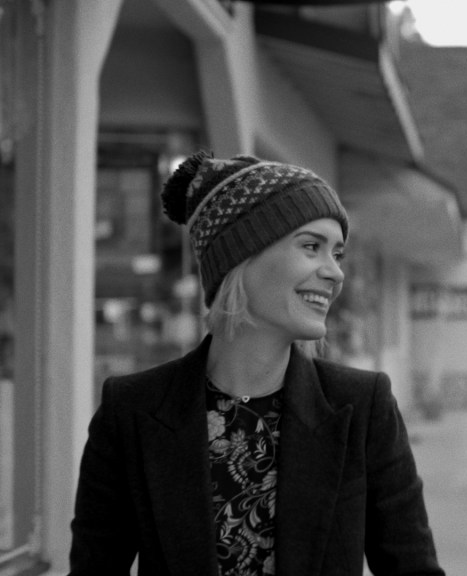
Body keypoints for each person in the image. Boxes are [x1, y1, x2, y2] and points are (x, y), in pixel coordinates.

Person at [70, 151, 445, 576]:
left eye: (337, 254)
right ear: (240, 257)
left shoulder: (362, 406)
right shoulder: (132, 410)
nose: (335, 273)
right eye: (311, 247)